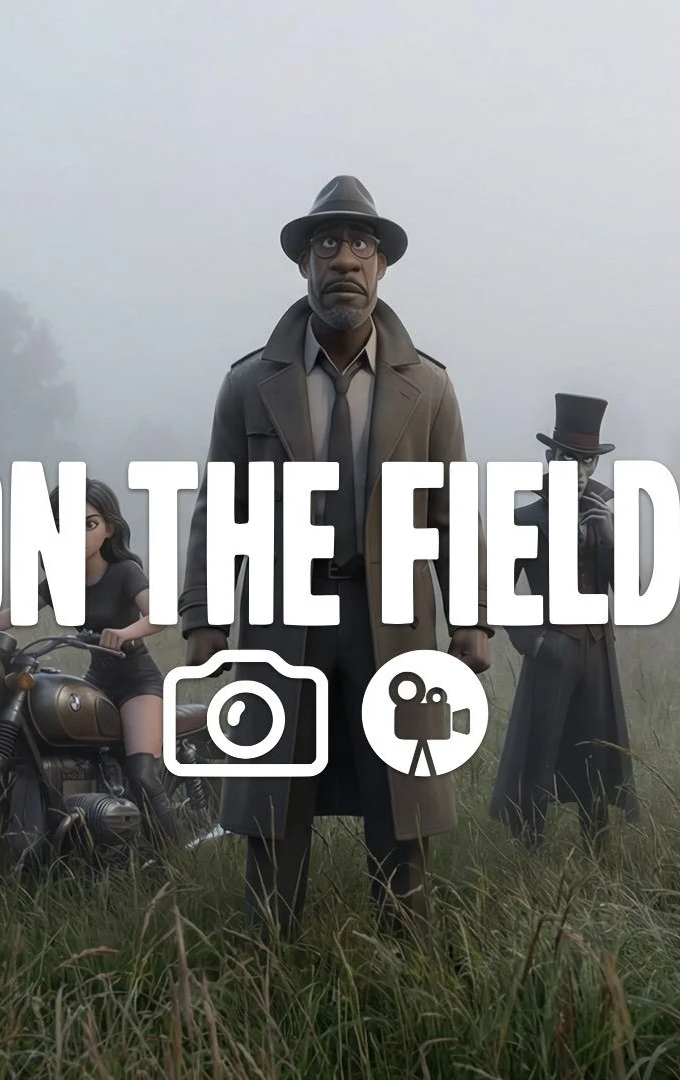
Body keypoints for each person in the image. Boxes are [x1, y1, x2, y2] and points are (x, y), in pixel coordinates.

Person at [178, 175, 492, 941]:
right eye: (327, 245)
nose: (343, 260)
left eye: (359, 244)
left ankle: (405, 950)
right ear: (303, 266)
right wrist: (205, 617)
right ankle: (267, 953)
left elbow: (452, 512)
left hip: (396, 619)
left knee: (403, 796)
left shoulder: (431, 389)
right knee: (274, 797)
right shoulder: (250, 384)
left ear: (381, 266)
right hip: (284, 615)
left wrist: (473, 620)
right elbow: (221, 507)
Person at [0, 478, 180, 848]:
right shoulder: (60, 579)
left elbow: (161, 613)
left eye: (89, 523)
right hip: (96, 677)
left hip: (136, 682)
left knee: (142, 772)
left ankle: (171, 858)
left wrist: (127, 632)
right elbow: (15, 612)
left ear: (109, 528)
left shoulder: (124, 572)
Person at [488, 394, 638, 850]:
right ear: (551, 458)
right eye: (571, 459)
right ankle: (528, 848)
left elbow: (624, 588)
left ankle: (598, 848)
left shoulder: (602, 517)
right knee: (539, 751)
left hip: (596, 649)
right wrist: (533, 643)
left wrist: (609, 537)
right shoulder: (526, 518)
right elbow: (498, 589)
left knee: (596, 753)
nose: (581, 470)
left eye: (588, 461)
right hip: (551, 648)